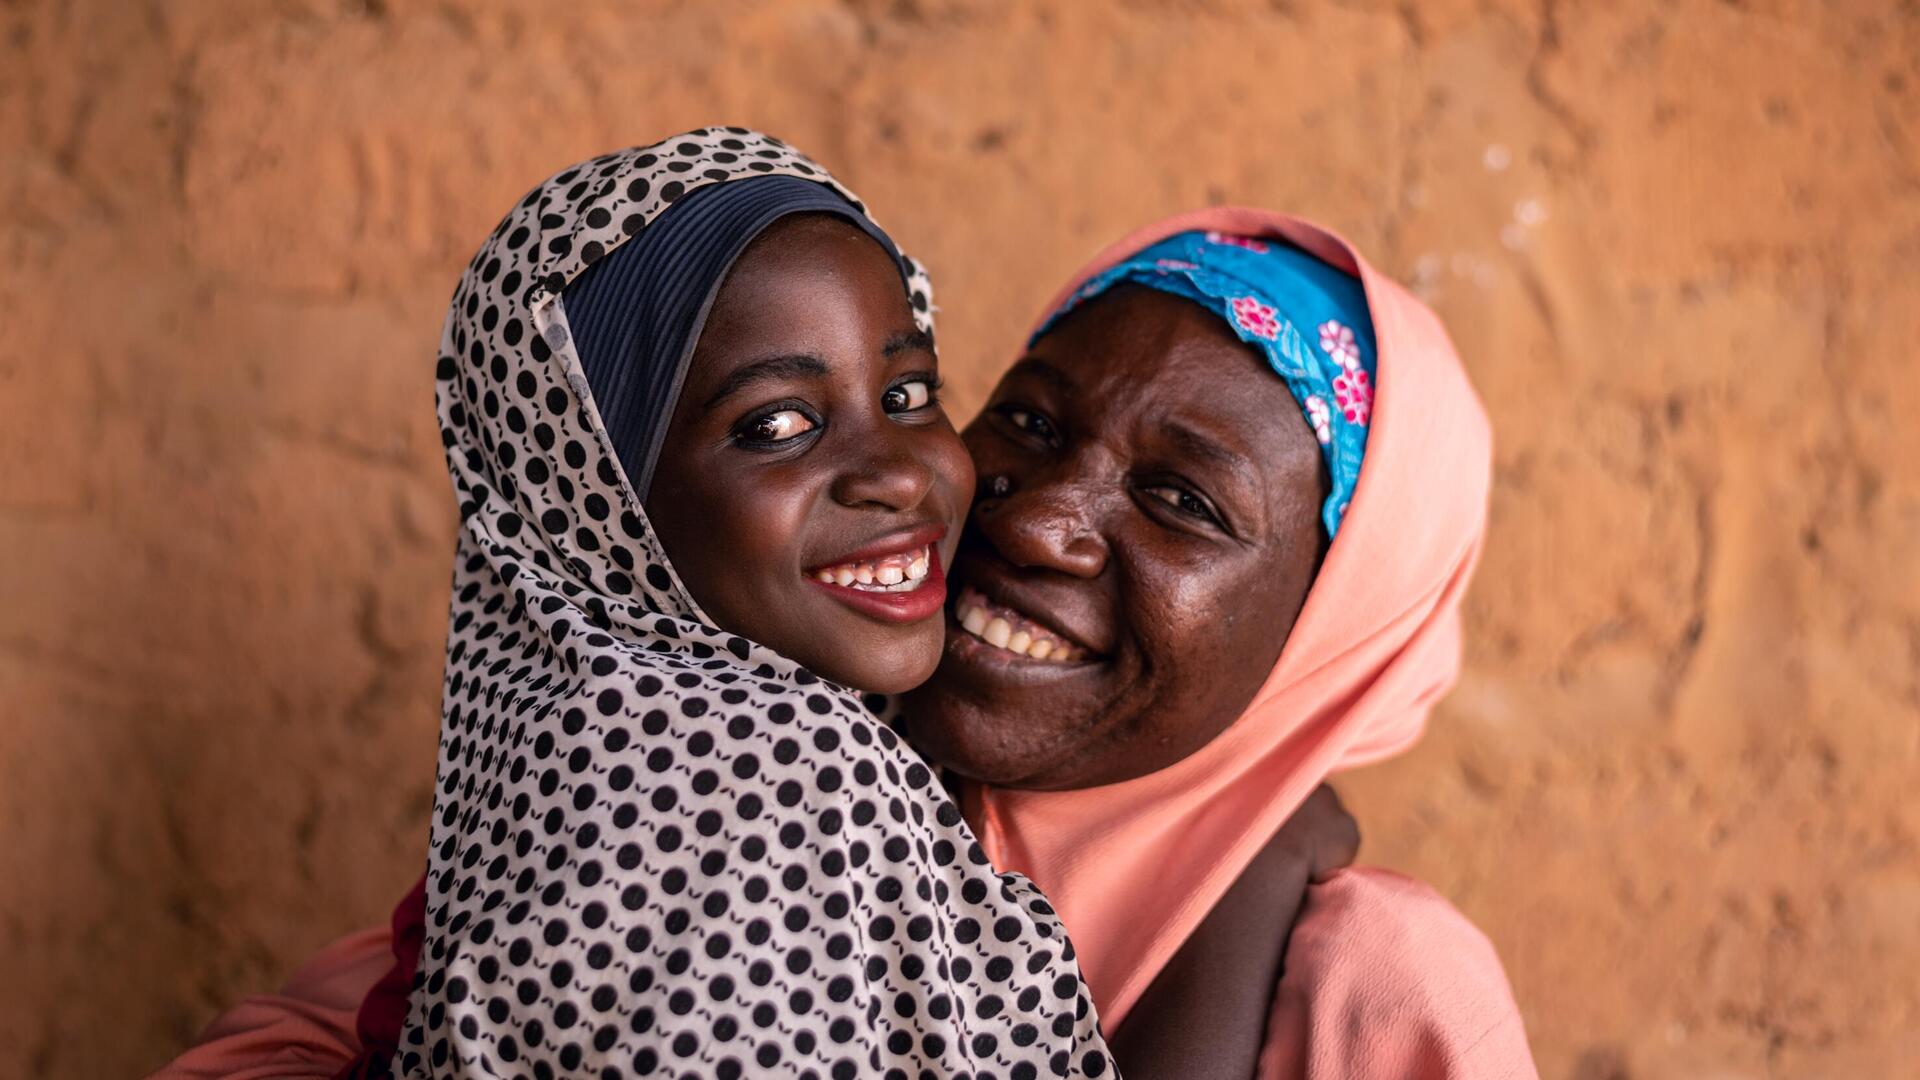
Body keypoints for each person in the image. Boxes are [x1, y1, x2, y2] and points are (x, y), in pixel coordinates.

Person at [147, 134, 1356, 1080]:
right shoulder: (760, 782)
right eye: (777, 425)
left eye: (913, 389)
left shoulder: (591, 744)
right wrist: (1256, 891)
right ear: (597, 495)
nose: (902, 471)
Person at [911, 215, 1537, 1078]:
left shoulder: (1377, 994)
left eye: (1182, 500)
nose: (1033, 525)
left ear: (1328, 632)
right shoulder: (766, 762)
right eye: (1028, 420)